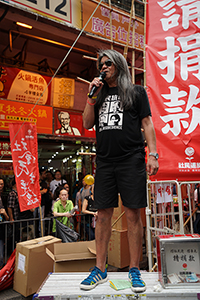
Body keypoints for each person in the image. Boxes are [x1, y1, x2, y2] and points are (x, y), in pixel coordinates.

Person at [80, 49, 159, 292]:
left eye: (107, 64)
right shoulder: (99, 93)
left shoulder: (136, 91)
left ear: (119, 65)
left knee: (133, 214)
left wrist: (153, 154)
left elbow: (146, 123)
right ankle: (100, 269)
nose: (103, 67)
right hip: (104, 162)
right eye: (100, 64)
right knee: (102, 215)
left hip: (131, 159)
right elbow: (86, 123)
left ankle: (134, 269)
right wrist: (91, 97)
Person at [0, 177, 9, 268]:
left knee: (1, 256)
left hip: (1, 227)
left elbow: (5, 215)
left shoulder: (4, 196)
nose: (0, 186)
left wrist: (6, 215)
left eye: (2, 184)